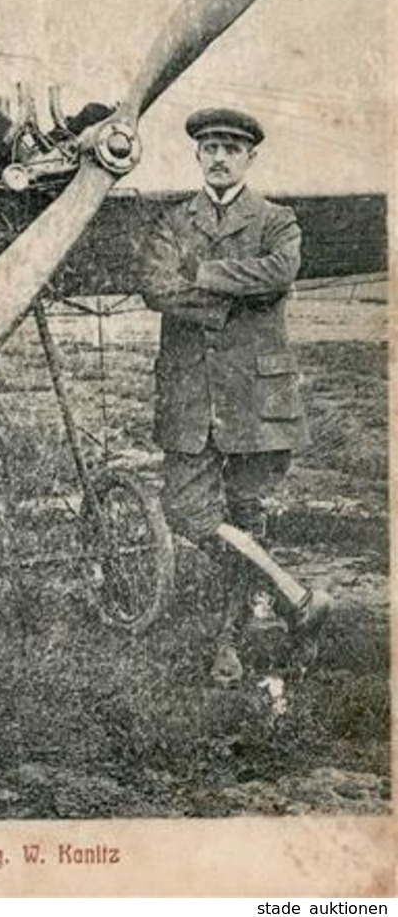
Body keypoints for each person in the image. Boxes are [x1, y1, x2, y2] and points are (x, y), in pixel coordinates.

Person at [137, 107, 331, 685]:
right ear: (197, 155)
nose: (219, 156)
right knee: (187, 511)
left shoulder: (278, 220)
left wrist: (201, 272)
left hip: (254, 397)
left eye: (231, 147)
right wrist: (229, 296)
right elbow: (156, 289)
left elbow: (278, 273)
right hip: (189, 396)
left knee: (248, 517)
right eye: (209, 147)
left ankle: (230, 644)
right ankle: (295, 596)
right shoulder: (172, 222)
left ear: (251, 157)